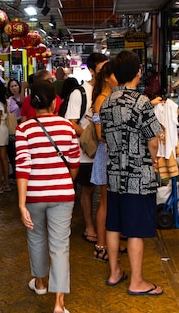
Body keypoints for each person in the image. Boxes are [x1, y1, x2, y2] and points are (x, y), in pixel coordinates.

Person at [15, 80, 80, 313]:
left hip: (33, 195)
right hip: (63, 195)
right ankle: (59, 306)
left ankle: (40, 283)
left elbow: (23, 167)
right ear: (55, 102)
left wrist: (21, 204)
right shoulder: (66, 126)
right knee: (60, 246)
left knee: (36, 237)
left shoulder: (24, 130)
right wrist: (64, 181)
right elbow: (74, 162)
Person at [100, 50, 164, 296]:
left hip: (114, 172)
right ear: (138, 72)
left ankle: (114, 272)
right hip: (138, 174)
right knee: (136, 228)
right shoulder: (141, 102)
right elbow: (154, 139)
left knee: (114, 224)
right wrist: (154, 160)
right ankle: (136, 281)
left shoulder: (107, 102)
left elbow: (105, 136)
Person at [64, 52, 108, 244]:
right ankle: (89, 226)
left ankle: (106, 229)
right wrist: (91, 137)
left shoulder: (110, 92)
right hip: (87, 152)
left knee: (106, 191)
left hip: (105, 151)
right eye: (101, 70)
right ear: (91, 71)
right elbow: (70, 122)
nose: (106, 74)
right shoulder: (80, 93)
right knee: (88, 190)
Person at [90, 62, 118, 261]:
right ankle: (101, 244)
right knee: (105, 201)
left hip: (112, 152)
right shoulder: (101, 100)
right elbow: (101, 135)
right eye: (116, 75)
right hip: (107, 152)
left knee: (111, 201)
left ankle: (110, 242)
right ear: (107, 77)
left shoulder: (111, 97)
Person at [7, 79, 24, 175]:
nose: (14, 88)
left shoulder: (23, 98)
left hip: (22, 125)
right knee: (12, 151)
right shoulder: (9, 100)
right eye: (12, 86)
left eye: (16, 85)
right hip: (13, 127)